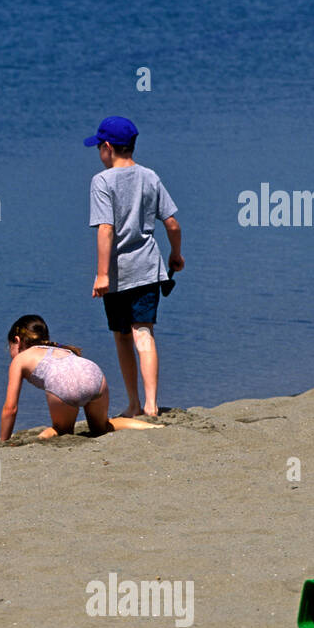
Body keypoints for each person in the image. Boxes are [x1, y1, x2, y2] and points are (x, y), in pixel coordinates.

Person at [85, 116, 184, 417]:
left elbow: (105, 229)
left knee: (121, 336)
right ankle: (152, 404)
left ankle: (133, 403)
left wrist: (102, 274)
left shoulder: (101, 181)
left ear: (107, 147)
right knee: (144, 334)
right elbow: (172, 223)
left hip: (117, 274)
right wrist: (175, 255)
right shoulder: (150, 176)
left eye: (99, 148)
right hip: (148, 269)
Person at [0, 315, 162, 440]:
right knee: (102, 427)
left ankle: (41, 438)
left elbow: (10, 409)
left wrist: (3, 441)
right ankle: (154, 428)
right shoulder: (61, 348)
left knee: (62, 431)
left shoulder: (19, 360)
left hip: (62, 384)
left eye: (10, 347)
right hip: (94, 375)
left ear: (17, 341)